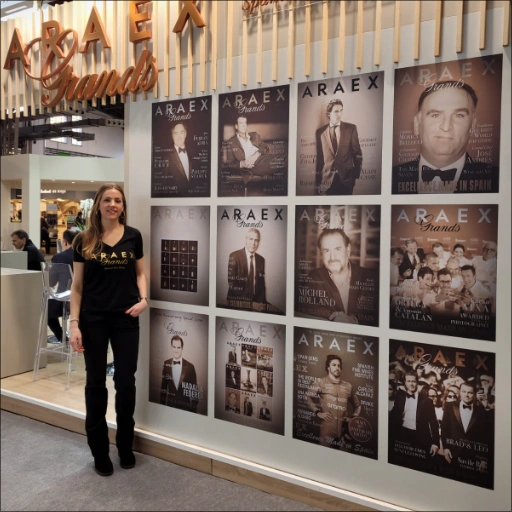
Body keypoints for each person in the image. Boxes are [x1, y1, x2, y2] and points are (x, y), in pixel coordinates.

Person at [69, 183, 148, 477]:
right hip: (93, 320)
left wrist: (143, 299)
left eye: (117, 200)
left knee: (126, 382)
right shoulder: (84, 240)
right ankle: (99, 450)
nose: (112, 204)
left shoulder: (133, 236)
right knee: (95, 384)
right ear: (98, 205)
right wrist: (74, 324)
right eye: (107, 200)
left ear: (123, 206)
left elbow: (140, 272)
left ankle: (125, 446)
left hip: (127, 318)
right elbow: (76, 288)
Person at [392, 81, 499, 194]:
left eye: (459, 115)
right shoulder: (391, 177)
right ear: (417, 124)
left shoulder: (496, 178)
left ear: (473, 125)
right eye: (435, 115)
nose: (446, 127)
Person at [306, 228, 377, 324]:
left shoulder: (368, 276)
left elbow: (377, 313)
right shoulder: (315, 276)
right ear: (321, 254)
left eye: (337, 249)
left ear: (348, 250)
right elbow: (307, 306)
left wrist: (353, 321)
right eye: (327, 251)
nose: (332, 257)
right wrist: (335, 316)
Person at [306, 355, 361, 448]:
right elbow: (307, 397)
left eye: (339, 366)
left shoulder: (348, 386)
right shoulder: (320, 382)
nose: (337, 368)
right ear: (328, 367)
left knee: (345, 458)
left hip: (345, 429)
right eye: (334, 365)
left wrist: (353, 418)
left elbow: (357, 405)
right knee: (324, 456)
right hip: (327, 428)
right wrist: (317, 412)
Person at [441, 381, 493, 470]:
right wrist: (446, 448)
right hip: (452, 453)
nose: (466, 395)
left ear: (475, 394)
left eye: (470, 392)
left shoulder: (481, 411)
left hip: (473, 456)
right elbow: (444, 429)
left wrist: (483, 459)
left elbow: (485, 436)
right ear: (460, 392)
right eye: (464, 391)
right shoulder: (449, 406)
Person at [316, 99, 363, 195]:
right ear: (328, 114)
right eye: (336, 111)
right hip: (327, 181)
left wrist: (355, 175)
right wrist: (318, 182)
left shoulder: (351, 128)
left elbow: (357, 154)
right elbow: (320, 159)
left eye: (341, 110)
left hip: (346, 180)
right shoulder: (320, 132)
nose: (340, 114)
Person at [223, 114, 284, 186]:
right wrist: (241, 164)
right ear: (236, 126)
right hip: (253, 165)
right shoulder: (231, 142)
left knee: (285, 166)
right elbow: (229, 164)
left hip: (263, 158)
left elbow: (264, 146)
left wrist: (256, 154)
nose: (243, 125)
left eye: (245, 123)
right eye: (241, 123)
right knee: (286, 159)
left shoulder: (254, 135)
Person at [389, 372, 440, 457]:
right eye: (409, 381)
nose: (411, 384)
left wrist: (435, 443)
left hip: (420, 437)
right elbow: (393, 418)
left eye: (413, 381)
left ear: (417, 382)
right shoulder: (400, 397)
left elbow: (433, 423)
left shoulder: (427, 401)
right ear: (405, 382)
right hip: (402, 434)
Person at [47, 229, 79, 344]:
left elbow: (51, 282)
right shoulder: (89, 254)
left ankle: (62, 338)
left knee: (47, 313)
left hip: (64, 299)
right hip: (85, 300)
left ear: (65, 242)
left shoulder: (59, 257)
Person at [226, 228, 266, 311]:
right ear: (246, 240)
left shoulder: (261, 260)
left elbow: (261, 286)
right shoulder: (234, 256)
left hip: (256, 302)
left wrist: (261, 303)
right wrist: (250, 304)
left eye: (256, 240)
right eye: (251, 239)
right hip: (237, 302)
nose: (253, 243)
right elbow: (233, 285)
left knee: (280, 314)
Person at [160, 335, 198, 413]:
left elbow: (195, 393)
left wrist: (192, 412)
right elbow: (163, 389)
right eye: (174, 347)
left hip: (186, 409)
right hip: (169, 408)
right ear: (171, 347)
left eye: (178, 347)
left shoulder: (190, 367)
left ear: (182, 348)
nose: (176, 350)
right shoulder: (166, 363)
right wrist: (162, 409)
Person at [163, 122, 197, 196]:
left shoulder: (193, 153)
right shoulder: (166, 157)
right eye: (176, 133)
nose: (179, 136)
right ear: (172, 136)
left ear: (185, 134)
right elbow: (163, 184)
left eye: (181, 133)